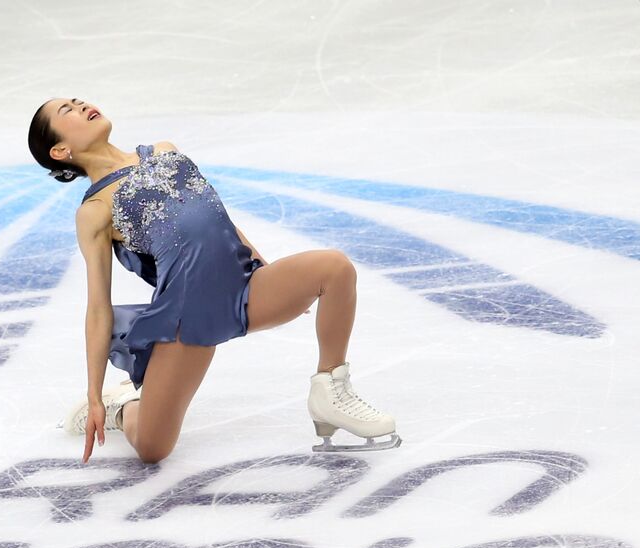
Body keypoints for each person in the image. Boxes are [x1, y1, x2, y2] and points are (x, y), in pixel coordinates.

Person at [27, 97, 402, 463]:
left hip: (242, 291)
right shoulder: (94, 211)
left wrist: (262, 266)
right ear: (59, 151)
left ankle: (330, 391)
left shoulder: (164, 151)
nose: (82, 107)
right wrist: (93, 394)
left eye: (79, 101)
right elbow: (97, 307)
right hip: (184, 322)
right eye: (67, 111)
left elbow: (216, 219)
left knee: (334, 268)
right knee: (153, 450)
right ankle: (122, 408)